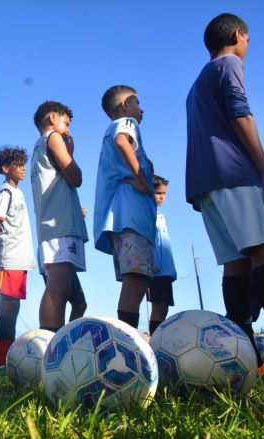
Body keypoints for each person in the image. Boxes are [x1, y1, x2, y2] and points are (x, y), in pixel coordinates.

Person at [185, 13, 264, 372]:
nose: (248, 47)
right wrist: (263, 165)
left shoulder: (197, 83)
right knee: (263, 251)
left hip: (205, 184)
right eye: (248, 40)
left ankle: (245, 354)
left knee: (235, 263)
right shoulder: (230, 63)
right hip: (234, 173)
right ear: (238, 35)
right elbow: (240, 112)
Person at [93, 86, 156, 330]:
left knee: (136, 281)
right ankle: (125, 341)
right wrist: (141, 179)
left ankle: (126, 338)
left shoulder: (107, 133)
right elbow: (122, 141)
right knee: (135, 280)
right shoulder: (127, 123)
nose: (141, 109)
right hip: (131, 217)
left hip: (121, 219)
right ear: (124, 106)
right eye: (137, 103)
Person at [31, 101, 89, 332]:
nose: (68, 130)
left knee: (64, 290)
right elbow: (75, 176)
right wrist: (71, 152)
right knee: (56, 288)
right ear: (52, 118)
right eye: (66, 123)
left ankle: (57, 342)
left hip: (51, 225)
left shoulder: (37, 148)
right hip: (60, 226)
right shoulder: (53, 137)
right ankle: (50, 346)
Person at [0, 146, 36, 368]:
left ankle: (9, 355)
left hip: (21, 257)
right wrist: (5, 235)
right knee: (7, 304)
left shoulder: (19, 192)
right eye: (18, 165)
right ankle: (2, 360)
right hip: (10, 256)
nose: (23, 168)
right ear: (7, 168)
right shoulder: (5, 192)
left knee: (14, 304)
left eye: (24, 164)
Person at [147, 175, 177, 335]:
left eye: (164, 194)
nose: (162, 197)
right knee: (158, 306)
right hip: (155, 270)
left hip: (165, 271)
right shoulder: (147, 215)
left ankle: (158, 338)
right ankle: (154, 340)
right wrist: (150, 263)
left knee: (163, 307)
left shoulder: (160, 216)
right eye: (158, 193)